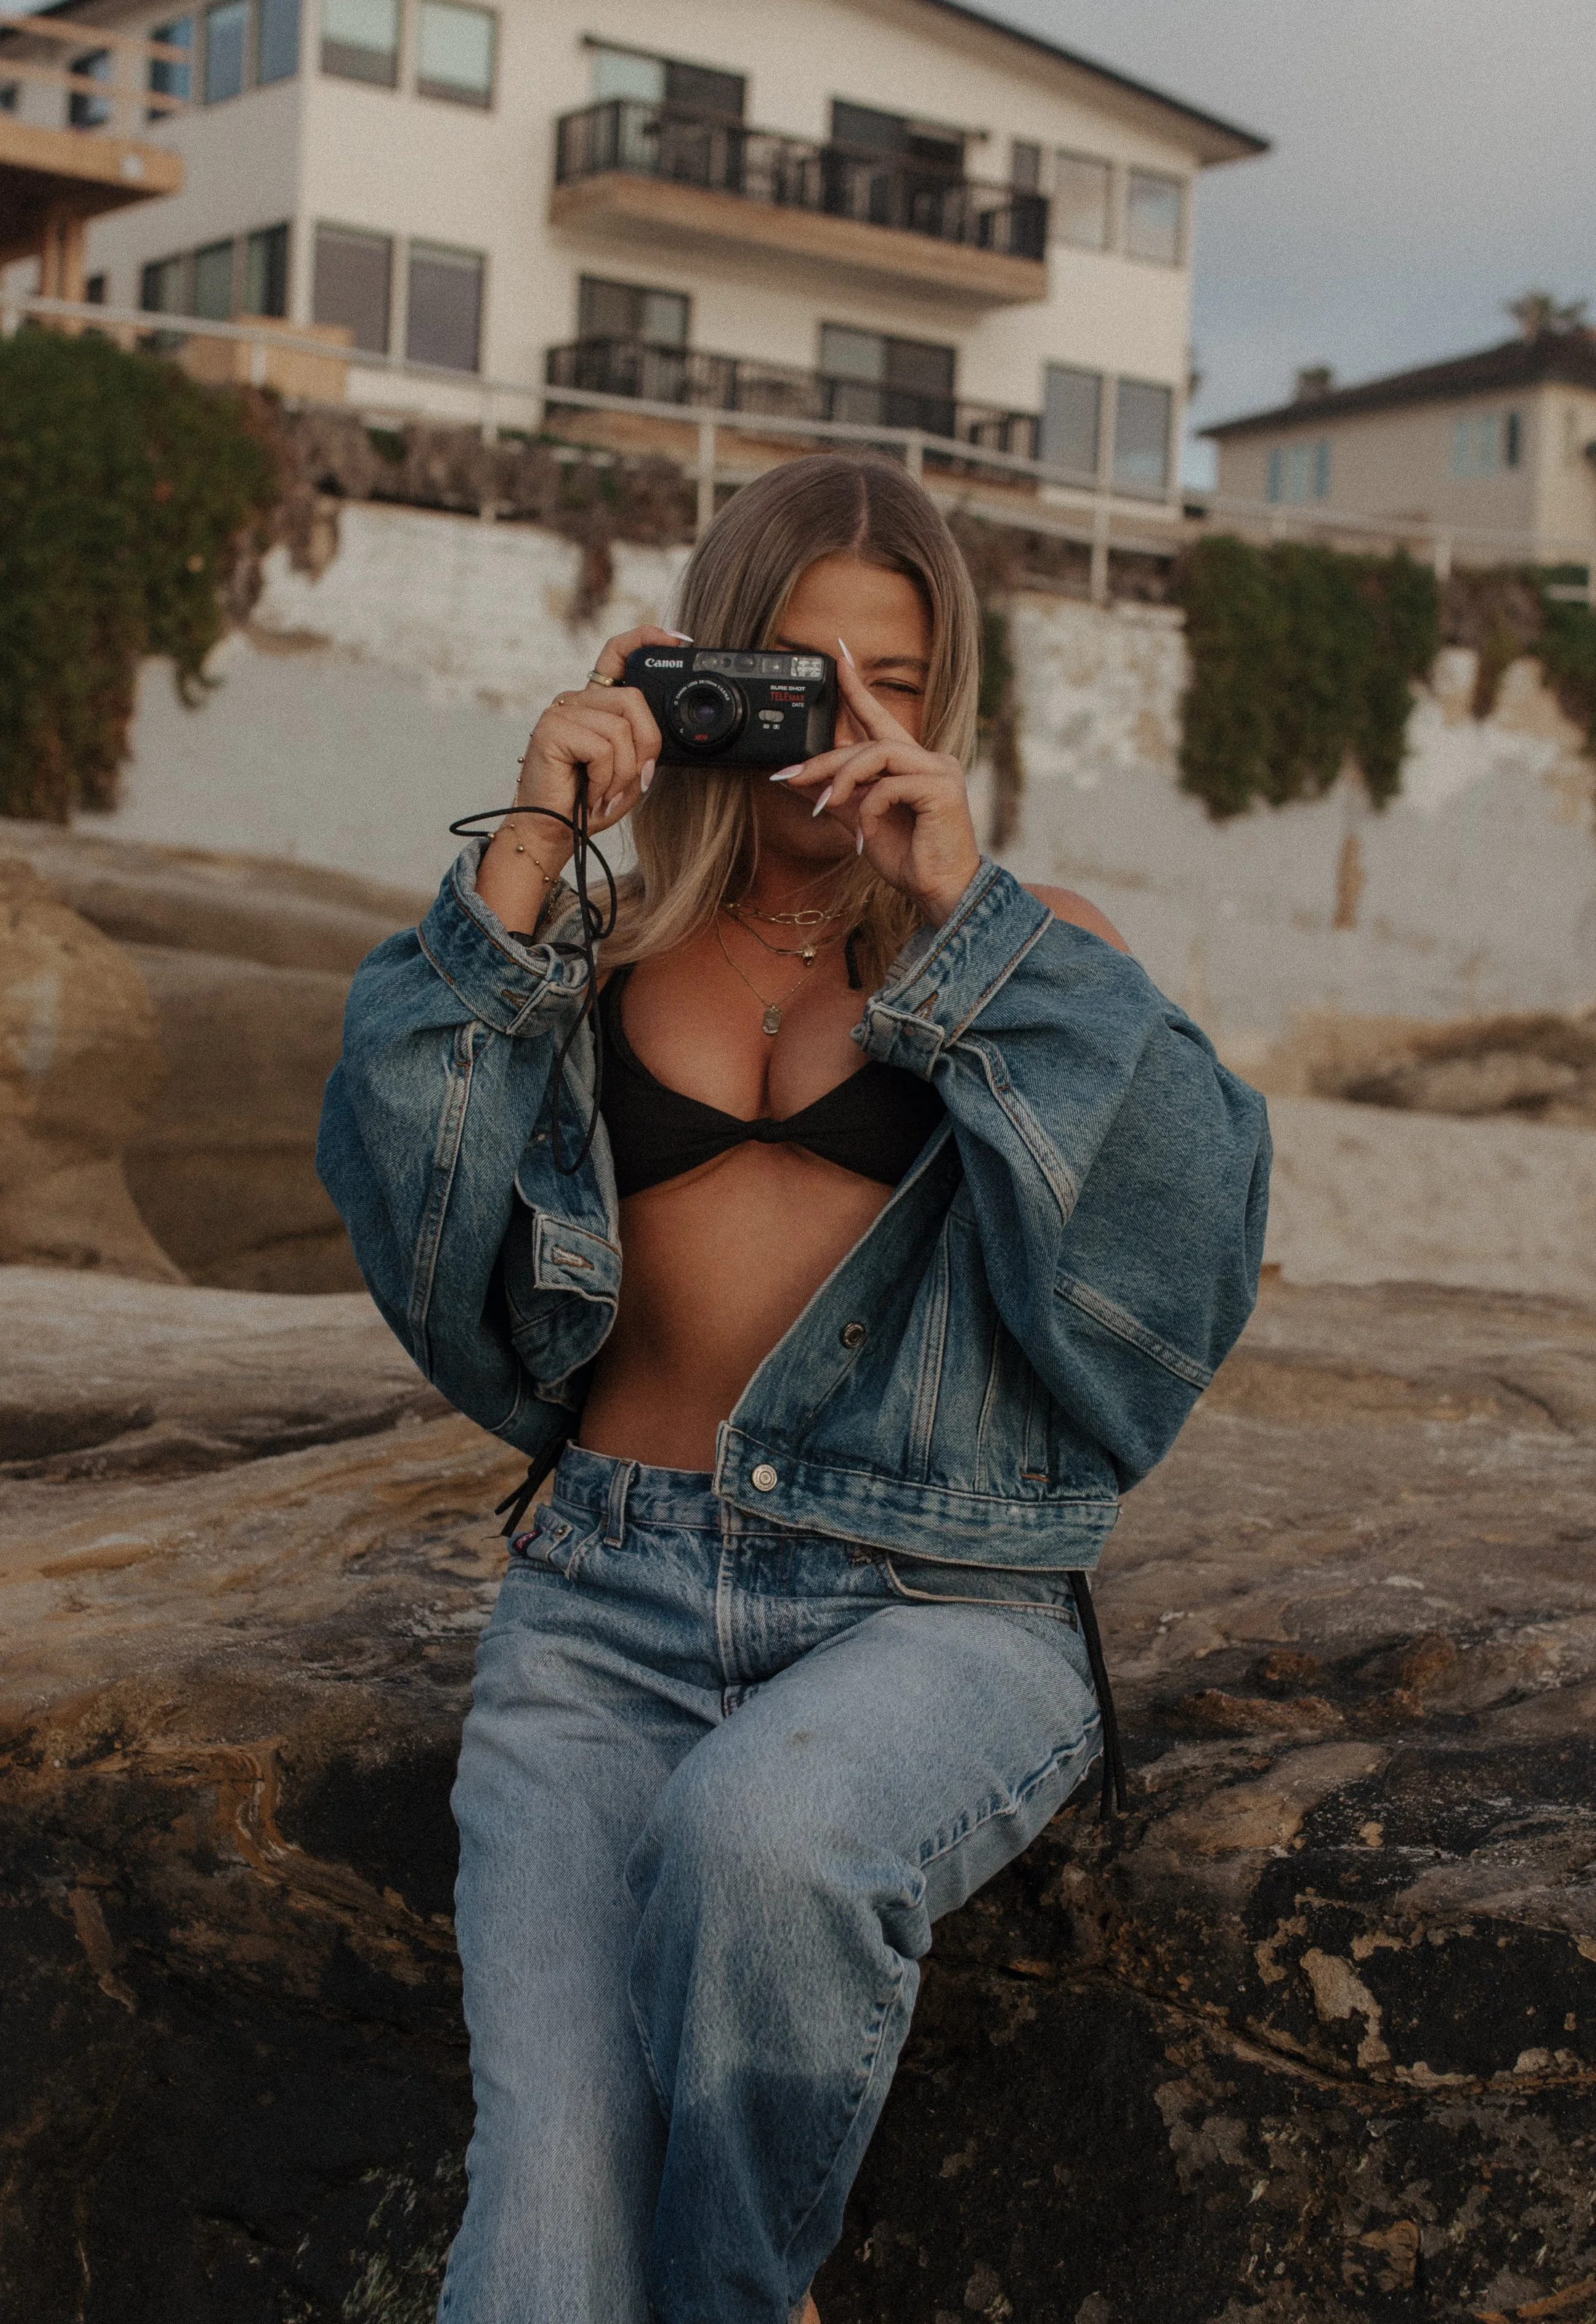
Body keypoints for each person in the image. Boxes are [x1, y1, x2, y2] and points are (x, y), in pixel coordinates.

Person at [318, 453, 1270, 2324]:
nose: (845, 723)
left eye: (895, 683)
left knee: (776, 1836)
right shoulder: (594, 952)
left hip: (937, 1606)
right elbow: (404, 1202)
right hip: (602, 1605)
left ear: (947, 703)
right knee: (544, 2229)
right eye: (799, 670)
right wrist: (530, 840)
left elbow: (1179, 1262)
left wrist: (968, 908)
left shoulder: (1033, 948)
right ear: (705, 672)